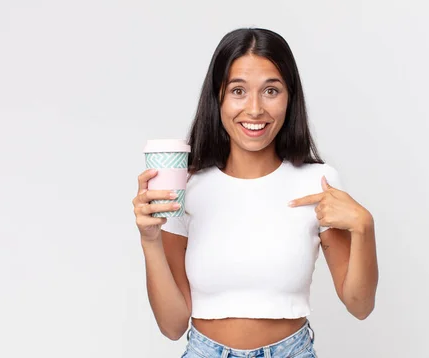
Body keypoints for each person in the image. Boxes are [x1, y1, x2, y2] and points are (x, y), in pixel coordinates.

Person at [132, 28, 379, 358]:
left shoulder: (318, 182)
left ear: (290, 98)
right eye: (238, 91)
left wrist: (364, 227)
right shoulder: (186, 187)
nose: (254, 109)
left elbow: (360, 305)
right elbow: (172, 325)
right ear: (217, 98)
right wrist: (150, 240)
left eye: (271, 91)